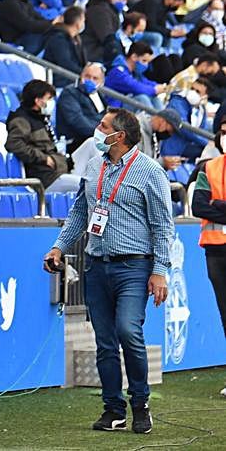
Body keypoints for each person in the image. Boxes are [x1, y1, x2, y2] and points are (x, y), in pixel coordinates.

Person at [45, 108, 174, 434]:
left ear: (119, 136)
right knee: (104, 341)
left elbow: (163, 226)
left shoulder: (150, 171)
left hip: (134, 265)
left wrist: (159, 270)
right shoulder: (93, 165)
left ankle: (140, 404)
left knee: (128, 331)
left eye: (103, 126)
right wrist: (60, 246)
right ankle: (113, 409)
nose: (96, 130)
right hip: (96, 264)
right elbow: (80, 211)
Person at [190, 137, 226, 381]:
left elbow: (209, 204)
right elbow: (199, 206)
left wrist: (219, 203)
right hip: (216, 251)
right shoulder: (209, 168)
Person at [6, 79, 72, 189]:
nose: (52, 102)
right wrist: (44, 158)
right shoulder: (21, 120)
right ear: (38, 101)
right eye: (49, 98)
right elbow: (14, 144)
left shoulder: (40, 118)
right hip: (45, 178)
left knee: (90, 144)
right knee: (87, 185)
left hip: (59, 168)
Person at [59, 62, 109, 152]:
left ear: (102, 82)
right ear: (81, 75)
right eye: (87, 76)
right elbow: (77, 121)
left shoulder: (98, 95)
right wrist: (101, 133)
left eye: (95, 78)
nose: (90, 80)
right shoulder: (70, 92)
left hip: (96, 138)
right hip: (76, 142)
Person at [43, 6, 88, 74]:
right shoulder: (59, 38)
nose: (84, 23)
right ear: (78, 23)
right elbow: (66, 63)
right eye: (83, 20)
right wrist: (85, 74)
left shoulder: (76, 39)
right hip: (59, 79)